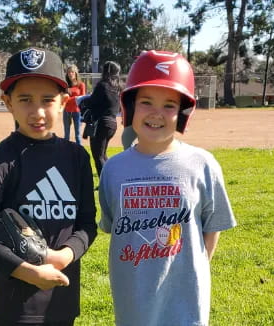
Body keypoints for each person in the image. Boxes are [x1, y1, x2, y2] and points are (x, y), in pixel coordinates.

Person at [98, 50, 237, 326]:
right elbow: (114, 226)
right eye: (146, 102)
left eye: (169, 105)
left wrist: (190, 268)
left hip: (185, 301)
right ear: (130, 106)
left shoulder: (202, 164)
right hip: (133, 300)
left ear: (183, 112)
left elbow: (212, 227)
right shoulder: (113, 169)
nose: (156, 114)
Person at [0, 47, 97, 326]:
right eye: (25, 99)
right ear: (8, 102)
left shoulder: (77, 158)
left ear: (64, 101)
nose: (37, 111)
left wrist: (65, 255)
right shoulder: (0, 159)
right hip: (14, 305)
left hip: (62, 298)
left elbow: (86, 224)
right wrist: (28, 273)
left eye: (47, 100)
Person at [88, 61, 122, 179]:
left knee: (98, 155)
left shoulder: (102, 86)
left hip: (101, 122)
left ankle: (105, 183)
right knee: (103, 154)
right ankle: (110, 178)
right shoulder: (117, 88)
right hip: (112, 123)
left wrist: (82, 101)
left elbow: (92, 102)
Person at [63, 64, 85, 145]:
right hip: (66, 111)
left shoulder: (81, 84)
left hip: (77, 112)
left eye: (72, 72)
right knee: (66, 135)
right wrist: (75, 98)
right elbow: (62, 97)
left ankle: (80, 154)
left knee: (78, 135)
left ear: (76, 73)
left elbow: (82, 97)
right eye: (69, 72)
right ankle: (66, 153)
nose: (70, 74)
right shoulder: (65, 85)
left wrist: (68, 99)